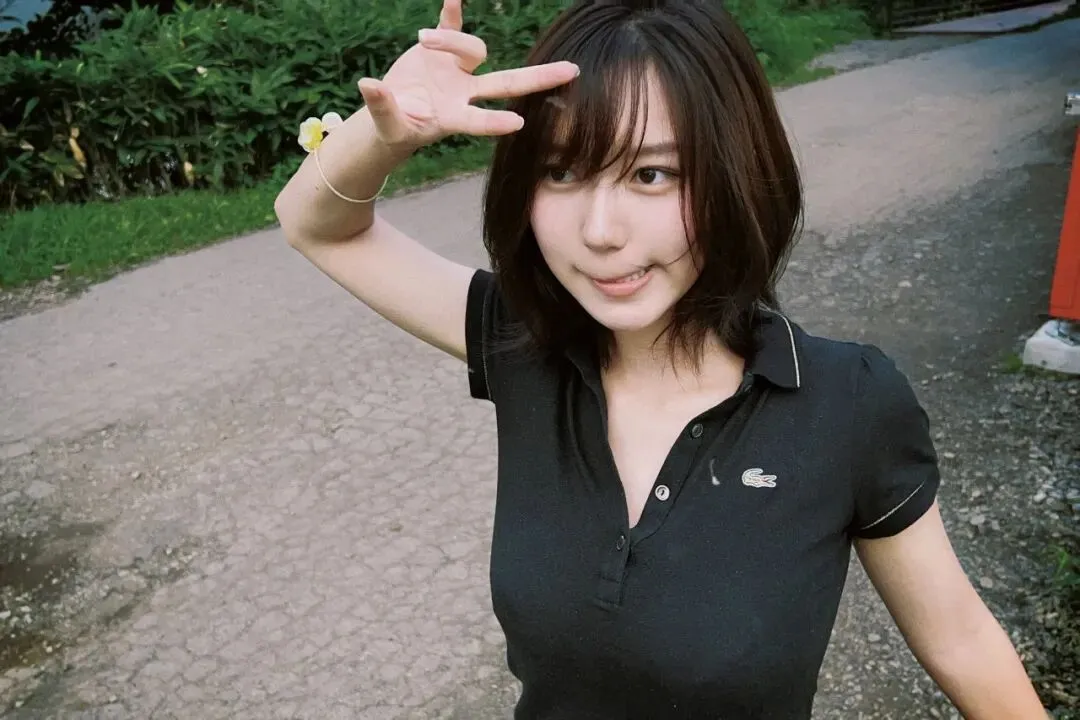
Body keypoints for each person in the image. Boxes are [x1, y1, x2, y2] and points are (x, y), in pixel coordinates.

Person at [274, 0, 1047, 717]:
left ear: (737, 173)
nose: (600, 232)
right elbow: (315, 225)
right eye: (561, 172)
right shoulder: (526, 341)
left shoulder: (846, 403)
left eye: (652, 174)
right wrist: (384, 132)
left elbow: (959, 641)